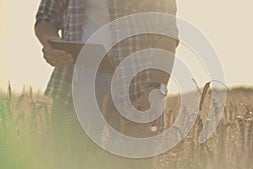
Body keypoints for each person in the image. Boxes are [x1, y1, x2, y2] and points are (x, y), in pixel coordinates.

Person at [34, 0, 178, 168]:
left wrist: (155, 90)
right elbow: (46, 17)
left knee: (132, 162)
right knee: (66, 159)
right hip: (73, 80)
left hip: (136, 88)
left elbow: (165, 34)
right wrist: (51, 45)